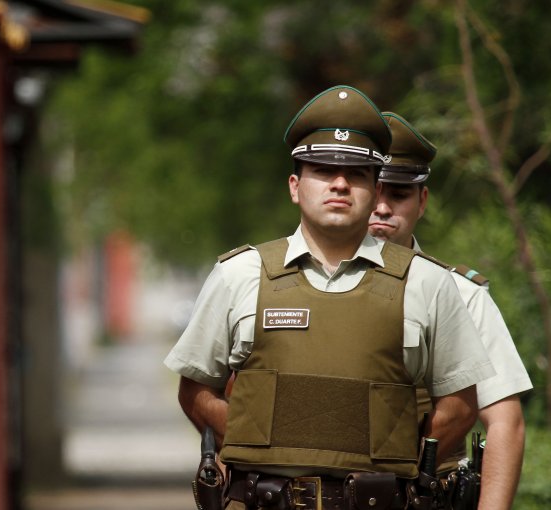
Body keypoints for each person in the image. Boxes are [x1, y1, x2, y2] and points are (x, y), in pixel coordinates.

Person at [164, 85, 495, 510]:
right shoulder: (237, 276)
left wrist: (402, 459)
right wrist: (253, 439)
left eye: (357, 174)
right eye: (322, 170)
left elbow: (460, 404)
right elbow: (194, 388)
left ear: (375, 191)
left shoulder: (427, 284)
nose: (340, 183)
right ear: (295, 186)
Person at [369, 112, 533, 510]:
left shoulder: (461, 294)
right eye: (371, 191)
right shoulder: (289, 285)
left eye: (398, 194)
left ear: (422, 201)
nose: (382, 208)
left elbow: (505, 423)